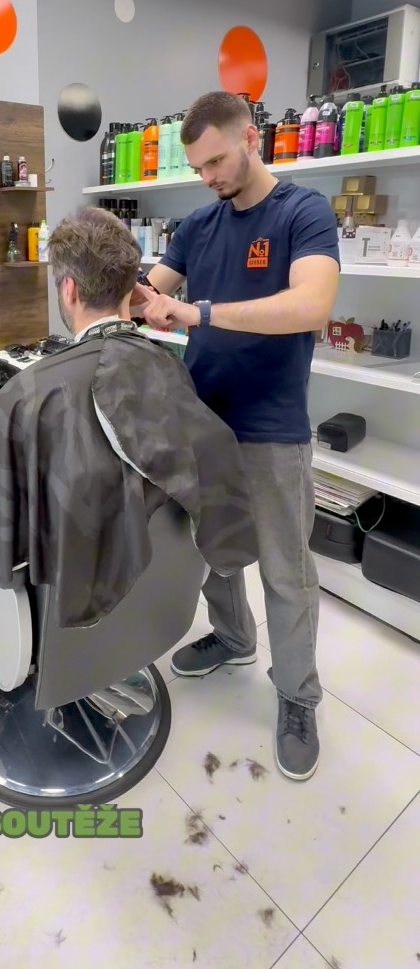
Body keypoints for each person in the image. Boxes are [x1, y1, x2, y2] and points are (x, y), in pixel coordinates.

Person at [0, 207, 259, 650]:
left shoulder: (33, 392)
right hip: (153, 606)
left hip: (67, 602)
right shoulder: (164, 365)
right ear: (131, 285)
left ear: (69, 288)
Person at [132, 91, 340, 783]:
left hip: (272, 427)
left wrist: (198, 311)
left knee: (285, 570)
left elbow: (311, 305)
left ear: (251, 138)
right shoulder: (199, 225)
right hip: (204, 420)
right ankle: (231, 636)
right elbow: (150, 292)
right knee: (216, 551)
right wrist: (115, 284)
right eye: (198, 168)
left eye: (217, 161)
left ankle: (297, 696)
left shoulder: (303, 213)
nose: (209, 177)